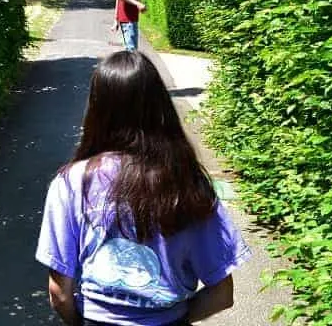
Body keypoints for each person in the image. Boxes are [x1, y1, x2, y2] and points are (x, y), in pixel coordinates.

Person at [35, 51, 251, 325]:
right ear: (161, 108)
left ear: (96, 109)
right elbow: (222, 293)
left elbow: (59, 294)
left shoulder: (71, 183)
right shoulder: (187, 181)